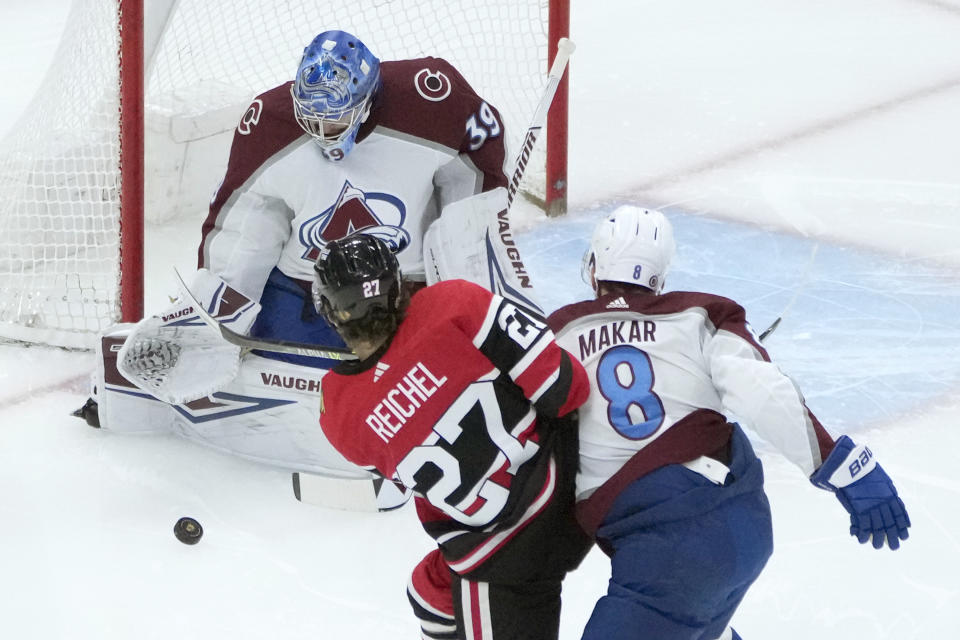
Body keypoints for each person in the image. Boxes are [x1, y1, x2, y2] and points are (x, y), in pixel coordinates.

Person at [74, 30, 534, 509]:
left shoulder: (432, 97)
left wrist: (464, 284)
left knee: (440, 363)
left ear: (367, 98)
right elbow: (246, 226)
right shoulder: (268, 124)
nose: (321, 130)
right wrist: (220, 310)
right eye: (310, 116)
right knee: (285, 361)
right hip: (304, 291)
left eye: (334, 118)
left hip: (400, 294)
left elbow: (473, 186)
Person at [545, 206, 911, 640]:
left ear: (593, 267)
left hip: (667, 554)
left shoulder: (556, 336)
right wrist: (841, 464)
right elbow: (762, 390)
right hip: (741, 521)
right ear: (659, 278)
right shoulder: (702, 315)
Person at [312, 233, 593, 640]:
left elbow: (402, 475)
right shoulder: (453, 302)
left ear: (329, 312)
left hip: (502, 559)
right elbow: (568, 390)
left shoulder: (338, 414)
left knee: (433, 596)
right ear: (398, 287)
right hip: (574, 484)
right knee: (429, 592)